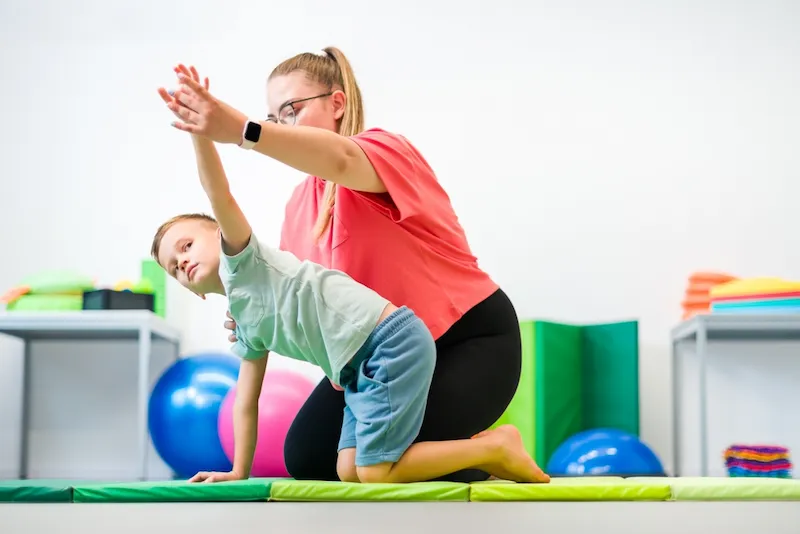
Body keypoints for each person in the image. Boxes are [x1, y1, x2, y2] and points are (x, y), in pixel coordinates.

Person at [158, 49, 548, 483]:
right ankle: (468, 455)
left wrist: (242, 130)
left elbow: (339, 160)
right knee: (309, 458)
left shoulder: (382, 151)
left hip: (466, 340)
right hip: (374, 358)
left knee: (376, 460)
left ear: (337, 103)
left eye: (290, 111)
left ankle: (490, 448)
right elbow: (302, 300)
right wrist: (254, 314)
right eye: (272, 116)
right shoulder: (297, 209)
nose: (279, 126)